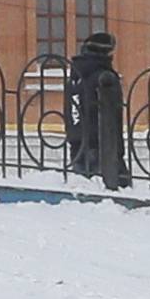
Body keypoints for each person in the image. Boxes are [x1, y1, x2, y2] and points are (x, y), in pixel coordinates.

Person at [64, 28, 130, 190]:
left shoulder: (75, 77)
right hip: (102, 148)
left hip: (77, 146)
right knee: (112, 199)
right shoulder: (104, 78)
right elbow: (113, 118)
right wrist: (118, 153)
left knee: (83, 195)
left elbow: (72, 112)